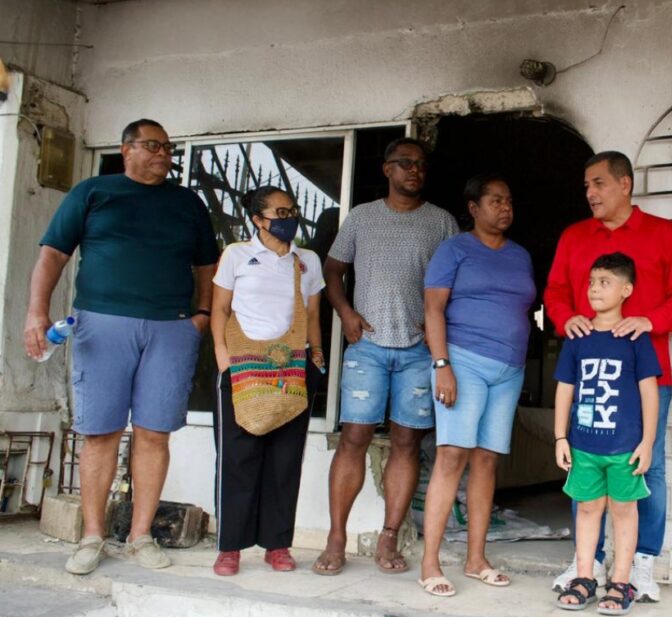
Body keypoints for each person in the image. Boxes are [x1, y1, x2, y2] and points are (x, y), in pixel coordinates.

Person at [24, 118, 218, 574]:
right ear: (125, 149)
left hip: (170, 327)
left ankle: (140, 535)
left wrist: (202, 317)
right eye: (153, 145)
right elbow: (52, 253)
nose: (163, 155)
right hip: (102, 321)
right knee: (100, 432)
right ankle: (92, 537)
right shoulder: (93, 192)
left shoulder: (186, 202)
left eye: (169, 148)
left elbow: (208, 263)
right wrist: (36, 311)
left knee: (154, 432)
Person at [544, 151, 672, 601]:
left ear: (625, 184)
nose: (589, 193)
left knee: (649, 464)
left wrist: (651, 321)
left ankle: (641, 565)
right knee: (583, 457)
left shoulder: (663, 234)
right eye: (586, 186)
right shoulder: (574, 236)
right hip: (590, 370)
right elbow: (554, 291)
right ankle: (586, 564)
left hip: (647, 375)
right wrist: (565, 316)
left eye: (598, 184)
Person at [315, 138, 458, 575]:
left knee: (406, 441)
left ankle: (389, 535)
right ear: (386, 170)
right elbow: (333, 269)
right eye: (405, 164)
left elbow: (459, 280)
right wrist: (344, 312)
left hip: (419, 351)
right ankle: (336, 537)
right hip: (369, 346)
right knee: (354, 438)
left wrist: (438, 324)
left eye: (421, 165)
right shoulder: (361, 217)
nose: (414, 171)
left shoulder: (443, 223)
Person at [417, 174, 535, 597]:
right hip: (462, 361)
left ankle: (475, 558)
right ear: (473, 207)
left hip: (509, 370)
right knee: (452, 456)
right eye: (496, 200)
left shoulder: (520, 255)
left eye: (509, 201)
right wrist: (442, 364)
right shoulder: (454, 250)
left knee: (487, 461)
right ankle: (430, 562)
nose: (505, 208)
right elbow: (433, 307)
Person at [209, 186, 326, 576]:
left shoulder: (306, 261)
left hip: (291, 367)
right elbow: (220, 309)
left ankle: (277, 545)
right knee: (237, 458)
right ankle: (230, 548)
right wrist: (224, 361)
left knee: (285, 459)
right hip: (242, 367)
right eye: (280, 211)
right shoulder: (236, 255)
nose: (289, 216)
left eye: (292, 210)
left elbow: (312, 315)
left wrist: (317, 360)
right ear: (258, 219)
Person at [553, 253, 660, 616]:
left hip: (624, 449)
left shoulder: (635, 338)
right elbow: (565, 389)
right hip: (584, 445)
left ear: (626, 290)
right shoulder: (577, 337)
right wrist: (559, 437)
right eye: (592, 282)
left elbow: (649, 392)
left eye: (605, 282)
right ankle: (584, 578)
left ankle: (620, 582)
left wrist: (647, 443)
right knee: (587, 509)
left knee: (624, 511)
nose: (595, 289)